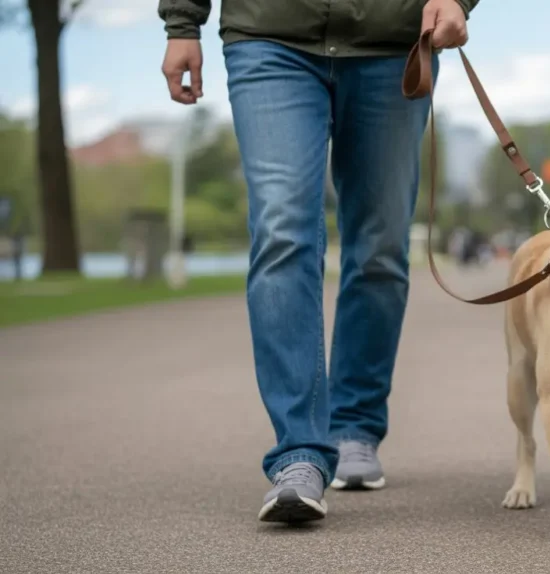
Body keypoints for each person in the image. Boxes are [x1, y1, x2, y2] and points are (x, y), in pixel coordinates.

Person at [157, 0, 479, 523]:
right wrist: (182, 22)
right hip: (270, 37)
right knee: (282, 232)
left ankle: (354, 424)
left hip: (391, 44)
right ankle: (299, 453)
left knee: (381, 247)